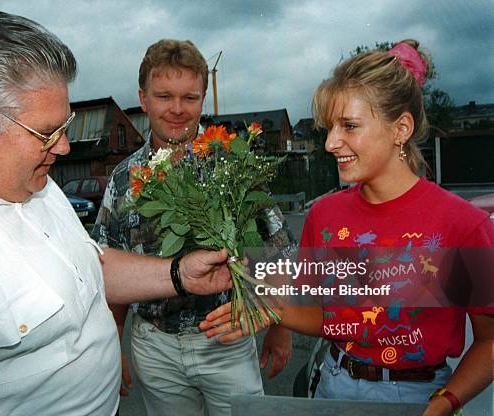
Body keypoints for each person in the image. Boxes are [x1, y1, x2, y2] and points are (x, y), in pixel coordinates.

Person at [0, 13, 233, 416]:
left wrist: (177, 274)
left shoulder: (34, 181)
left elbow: (90, 268)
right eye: (48, 132)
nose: (64, 147)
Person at [200, 39, 494, 416]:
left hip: (418, 399)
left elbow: (489, 342)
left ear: (400, 128)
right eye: (330, 127)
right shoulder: (325, 216)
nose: (330, 143)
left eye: (349, 126)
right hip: (331, 386)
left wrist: (446, 403)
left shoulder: (463, 225)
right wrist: (261, 303)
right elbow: (329, 317)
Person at [92, 39, 296, 415]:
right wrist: (112, 348)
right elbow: (110, 270)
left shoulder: (232, 165)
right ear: (144, 98)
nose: (176, 109)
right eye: (164, 96)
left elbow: (279, 250)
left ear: (203, 99)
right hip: (155, 347)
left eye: (189, 97)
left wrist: (280, 327)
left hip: (226, 340)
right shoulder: (123, 180)